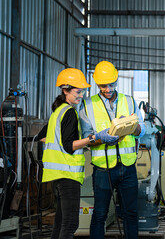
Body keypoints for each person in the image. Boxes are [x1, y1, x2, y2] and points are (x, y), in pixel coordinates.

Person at [40, 68, 119, 239]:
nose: (81, 95)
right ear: (65, 90)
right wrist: (95, 137)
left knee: (61, 222)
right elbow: (69, 146)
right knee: (70, 224)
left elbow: (42, 138)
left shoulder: (57, 111)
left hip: (56, 174)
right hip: (68, 175)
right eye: (78, 91)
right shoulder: (69, 113)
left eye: (82, 91)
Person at [79, 61, 145, 239]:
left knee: (130, 213)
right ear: (96, 84)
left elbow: (141, 131)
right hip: (102, 169)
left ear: (116, 80)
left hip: (128, 166)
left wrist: (131, 125)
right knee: (100, 214)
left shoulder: (129, 101)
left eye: (111, 84)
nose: (108, 89)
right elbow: (87, 139)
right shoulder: (87, 105)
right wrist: (101, 137)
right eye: (103, 85)